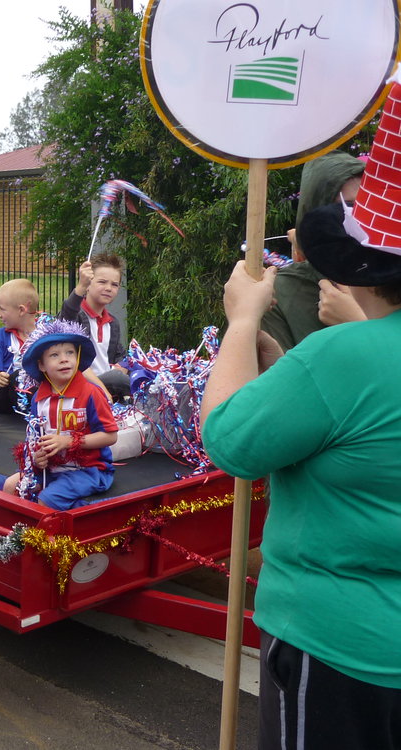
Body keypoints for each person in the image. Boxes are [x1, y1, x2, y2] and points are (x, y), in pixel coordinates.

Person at [202, 84, 401, 748]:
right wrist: (281, 363)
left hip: (342, 649)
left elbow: (229, 438)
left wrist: (240, 325)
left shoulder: (349, 355)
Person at [2, 319, 117, 509]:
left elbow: (110, 436)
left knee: (48, 498)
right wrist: (38, 457)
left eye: (70, 353)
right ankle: (15, 534)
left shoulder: (91, 393)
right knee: (11, 485)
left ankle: (45, 539)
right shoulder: (39, 398)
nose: (64, 359)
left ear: (78, 357)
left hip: (90, 470)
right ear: (41, 365)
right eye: (54, 355)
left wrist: (68, 441)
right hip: (53, 468)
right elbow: (36, 439)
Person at [261, 150, 367, 351]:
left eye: (368, 206)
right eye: (348, 208)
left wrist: (359, 325)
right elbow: (280, 379)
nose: (360, 221)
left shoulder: (390, 285)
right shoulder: (279, 294)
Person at [57, 252, 130, 401]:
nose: (109, 288)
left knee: (140, 372)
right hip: (81, 382)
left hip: (107, 381)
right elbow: (64, 320)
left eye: (114, 284)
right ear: (88, 285)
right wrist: (80, 287)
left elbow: (120, 355)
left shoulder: (112, 322)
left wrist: (122, 366)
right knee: (118, 378)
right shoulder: (77, 315)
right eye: (102, 282)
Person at [0, 278, 39, 413]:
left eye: (2, 309)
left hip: (34, 389)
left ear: (21, 310)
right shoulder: (0, 336)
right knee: (17, 376)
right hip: (3, 393)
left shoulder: (43, 334)